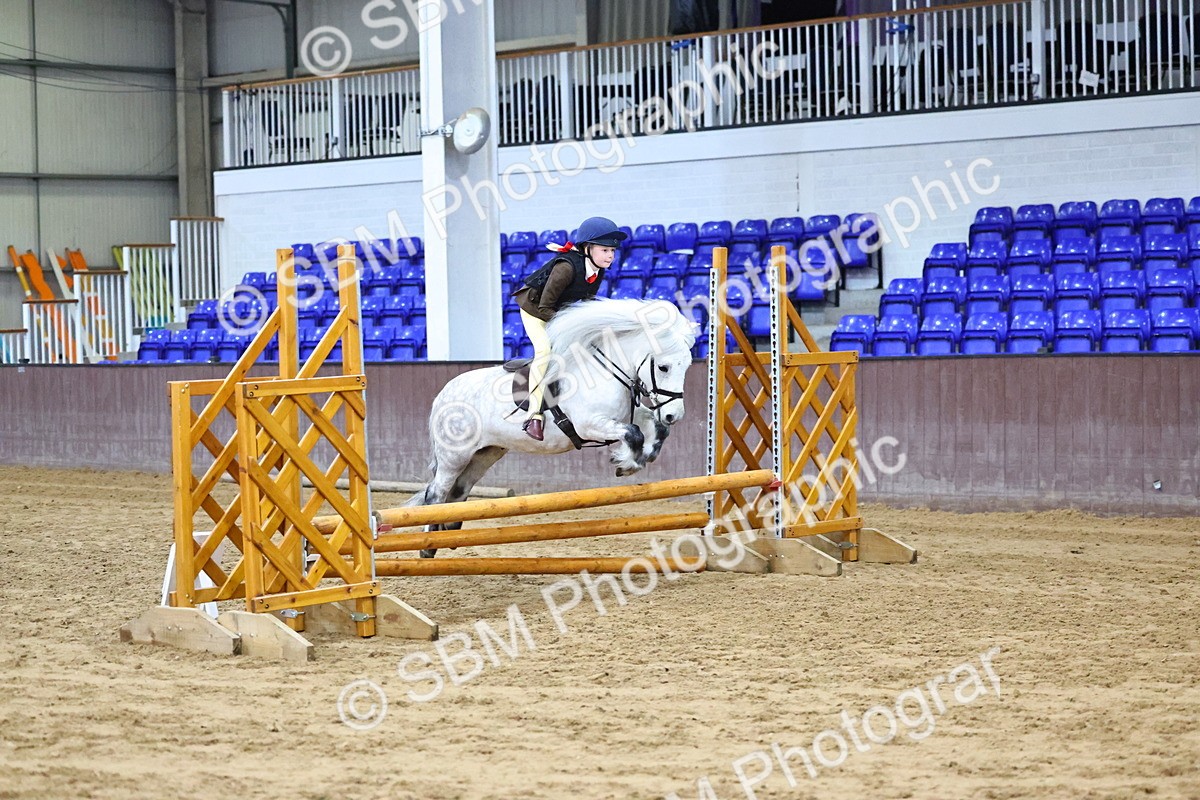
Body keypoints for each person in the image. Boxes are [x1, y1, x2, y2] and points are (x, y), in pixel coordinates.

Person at [511, 216, 627, 441]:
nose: (610, 256)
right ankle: (534, 416)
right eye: (605, 250)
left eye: (612, 251)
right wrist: (570, 328)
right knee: (545, 351)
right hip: (535, 310)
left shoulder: (598, 269)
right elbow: (545, 307)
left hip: (559, 311)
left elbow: (584, 305)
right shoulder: (565, 268)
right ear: (588, 248)